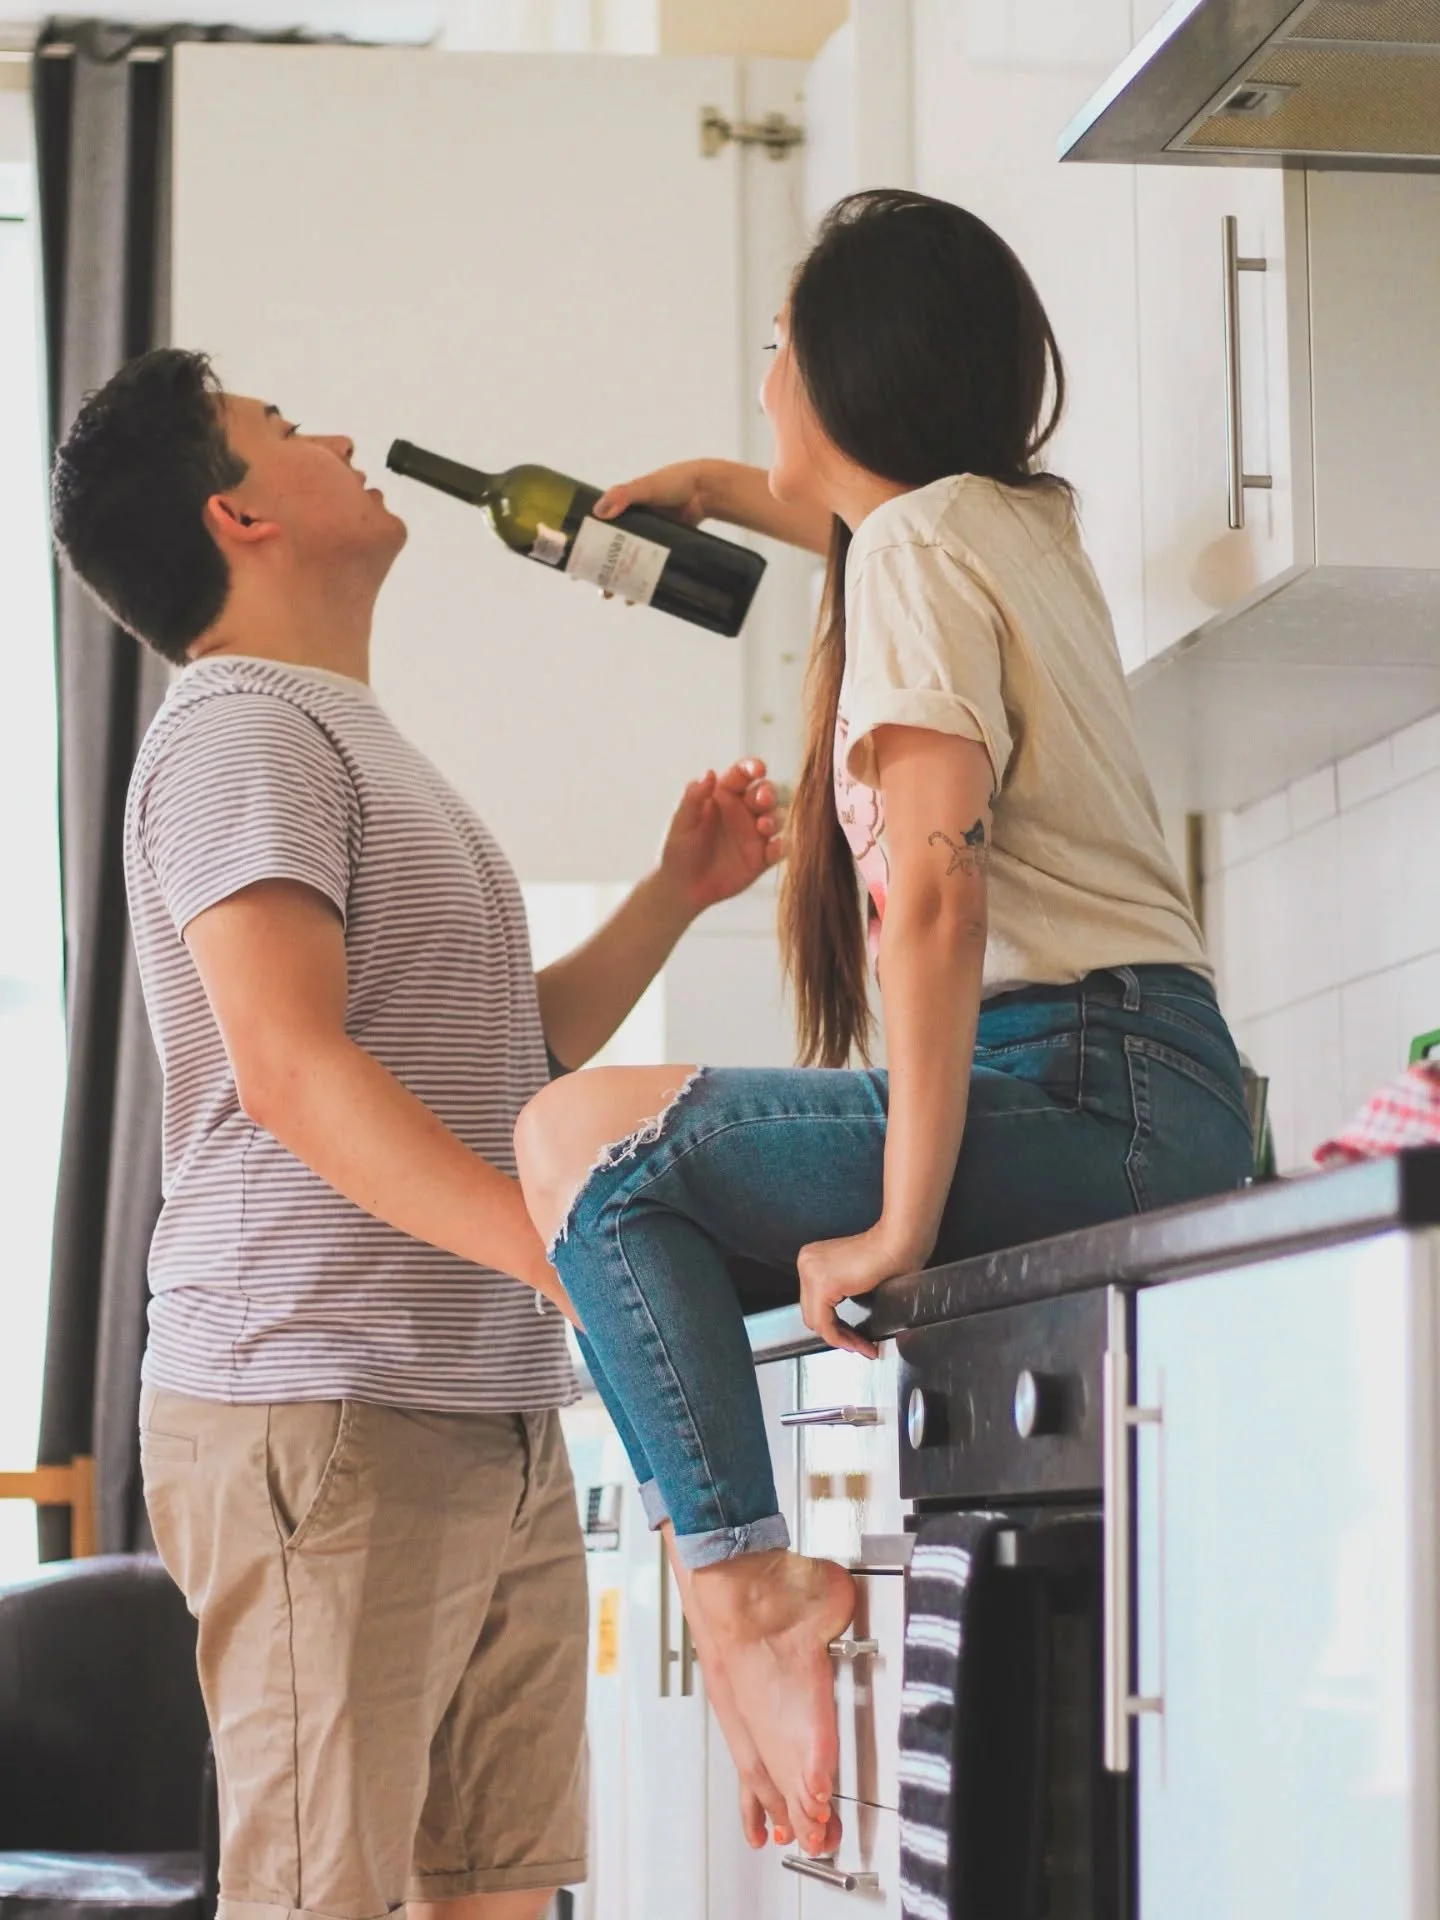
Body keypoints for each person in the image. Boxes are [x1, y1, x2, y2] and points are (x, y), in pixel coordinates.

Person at [513, 190, 1255, 1861]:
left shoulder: (917, 551)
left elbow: (934, 890)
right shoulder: (1003, 524)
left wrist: (896, 1217)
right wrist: (718, 487)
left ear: (849, 376)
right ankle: (747, 1593)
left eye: (778, 347)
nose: (762, 375)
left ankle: (750, 1600)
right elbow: (854, 522)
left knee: (581, 1146)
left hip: (1081, 1076)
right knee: (601, 1173)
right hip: (1152, 1083)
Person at [48, 348, 782, 1920]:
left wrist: (673, 895)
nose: (326, 435)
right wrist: (564, 1256)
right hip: (323, 1405)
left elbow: (495, 1055)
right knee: (322, 1896)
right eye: (273, 426)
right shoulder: (240, 733)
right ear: (236, 511)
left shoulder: (355, 739)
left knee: (494, 1892)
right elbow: (292, 1071)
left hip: (468, 1404)